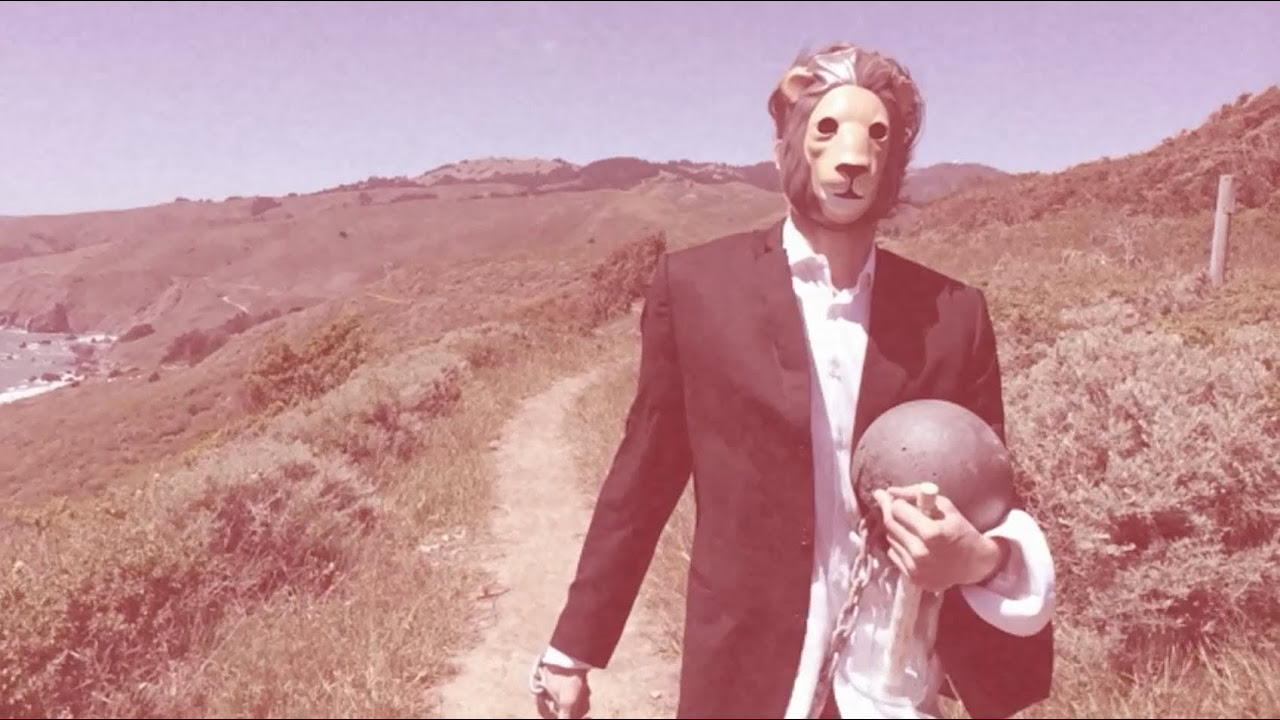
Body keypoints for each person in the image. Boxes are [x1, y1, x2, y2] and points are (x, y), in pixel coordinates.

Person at [532, 42, 1056, 720]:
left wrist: (982, 560)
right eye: (826, 128)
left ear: (895, 158)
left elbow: (989, 497)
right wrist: (574, 648)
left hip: (891, 680)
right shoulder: (696, 290)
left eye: (877, 135)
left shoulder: (953, 315)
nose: (852, 157)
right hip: (745, 674)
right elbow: (645, 475)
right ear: (785, 141)